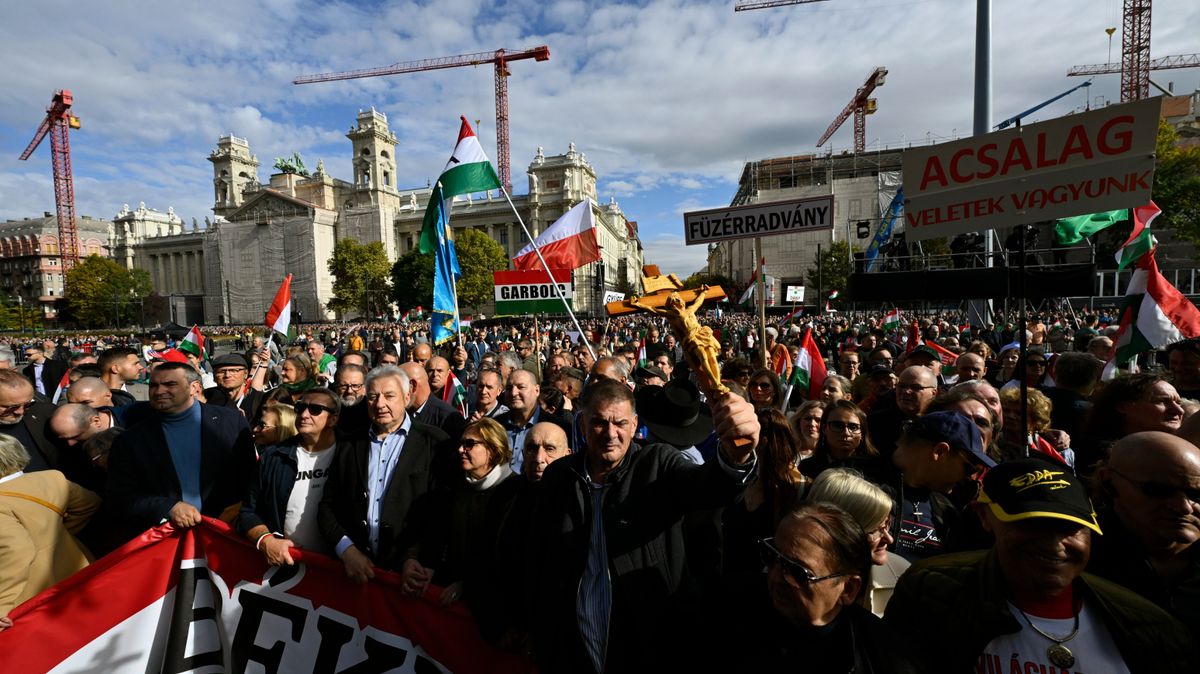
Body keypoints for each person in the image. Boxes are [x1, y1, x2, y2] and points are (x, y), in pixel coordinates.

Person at [885, 456, 1197, 673]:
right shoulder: (933, 592)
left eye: (1069, 528)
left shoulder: (1152, 628)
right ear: (985, 516)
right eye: (1032, 525)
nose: (1052, 543)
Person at [530, 379, 760, 673]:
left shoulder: (657, 463)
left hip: (646, 644)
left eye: (620, 423)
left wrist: (736, 452)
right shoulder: (559, 478)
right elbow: (538, 559)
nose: (610, 434)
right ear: (583, 423)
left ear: (635, 423)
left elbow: (710, 487)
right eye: (600, 423)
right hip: (574, 646)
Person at [739, 503, 917, 673]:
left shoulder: (884, 658)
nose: (776, 577)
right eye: (771, 555)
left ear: (848, 589)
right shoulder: (729, 607)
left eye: (797, 572)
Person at [318, 365, 453, 582]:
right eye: (372, 397)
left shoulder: (436, 444)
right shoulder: (350, 444)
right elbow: (328, 506)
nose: (380, 404)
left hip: (407, 578)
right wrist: (347, 550)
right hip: (354, 574)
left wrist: (415, 558)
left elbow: (441, 514)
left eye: (389, 396)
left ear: (407, 396)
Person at [106, 362, 257, 540]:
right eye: (154, 385)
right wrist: (167, 507)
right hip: (166, 538)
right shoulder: (130, 439)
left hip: (225, 534)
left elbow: (251, 478)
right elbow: (120, 496)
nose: (159, 391)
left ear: (194, 388)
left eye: (170, 384)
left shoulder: (231, 422)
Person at [402, 418, 521, 640]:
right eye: (461, 443)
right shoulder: (455, 487)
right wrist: (423, 564)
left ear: (493, 450)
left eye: (469, 444)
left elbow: (507, 561)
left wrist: (468, 585)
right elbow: (436, 533)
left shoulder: (515, 493)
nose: (460, 449)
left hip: (490, 614)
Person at [1088, 431, 1200, 634]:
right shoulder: (1077, 552)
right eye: (1159, 490)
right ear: (1108, 482)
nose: (1184, 507)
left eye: (1196, 494)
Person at [0, 435, 100, 630]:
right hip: (80, 578)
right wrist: (58, 533)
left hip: (31, 600)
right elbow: (90, 504)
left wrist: (2, 605)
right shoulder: (53, 478)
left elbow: (16, 551)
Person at [239, 388, 341, 565]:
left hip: (337, 568)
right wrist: (266, 541)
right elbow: (248, 511)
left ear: (333, 419)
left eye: (315, 409)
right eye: (300, 408)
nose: (304, 414)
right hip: (285, 566)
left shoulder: (350, 454)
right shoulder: (274, 456)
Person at [886, 411, 994, 562]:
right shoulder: (860, 487)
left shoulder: (947, 511)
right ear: (940, 451)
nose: (969, 476)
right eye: (970, 467)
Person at [806, 468, 906, 616]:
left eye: (887, 525)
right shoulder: (788, 575)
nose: (889, 539)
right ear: (835, 530)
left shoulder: (902, 575)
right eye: (875, 530)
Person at [1082, 373, 1186, 470]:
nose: (1179, 410)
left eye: (1178, 403)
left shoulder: (1185, 448)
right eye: (1162, 401)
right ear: (1123, 406)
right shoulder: (1103, 456)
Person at [496, 369, 566, 474]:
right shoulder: (495, 426)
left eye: (521, 387)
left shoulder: (558, 427)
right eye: (509, 388)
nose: (514, 393)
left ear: (537, 390)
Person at [803, 400, 882, 483]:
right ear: (824, 429)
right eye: (837, 425)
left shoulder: (877, 468)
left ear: (862, 432)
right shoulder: (807, 468)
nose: (846, 433)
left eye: (853, 427)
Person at [204, 353, 263, 420]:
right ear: (214, 376)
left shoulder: (260, 401)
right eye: (221, 371)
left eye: (233, 371)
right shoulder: (207, 398)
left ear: (245, 374)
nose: (227, 375)